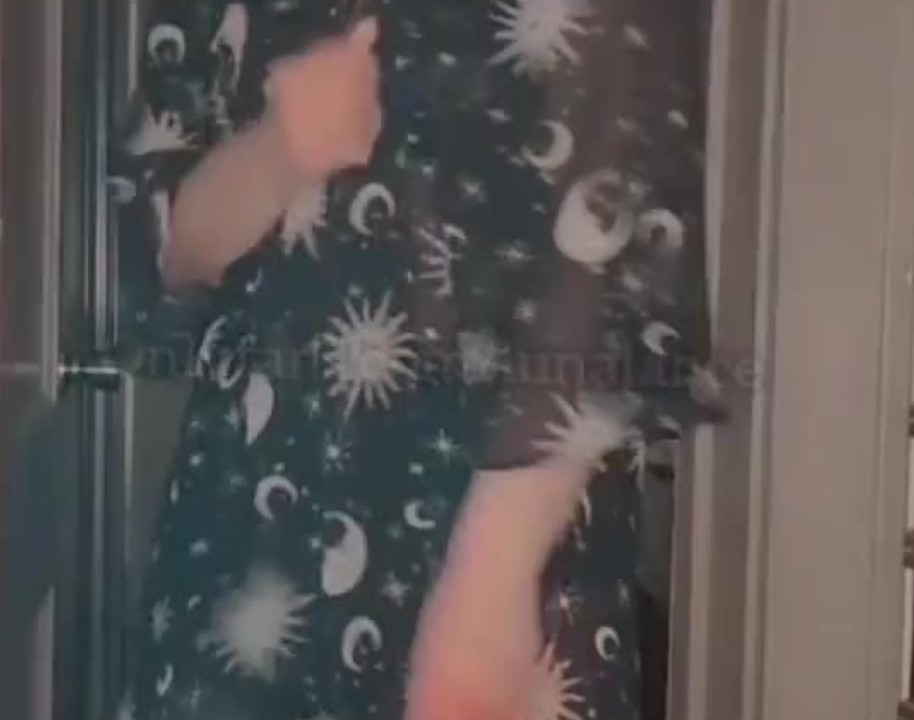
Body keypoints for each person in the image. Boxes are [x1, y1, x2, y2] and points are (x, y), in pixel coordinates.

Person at [112, 0, 715, 718]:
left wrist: (491, 583)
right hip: (248, 563)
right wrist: (275, 154)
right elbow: (156, 254)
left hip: (511, 559)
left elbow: (624, 259)